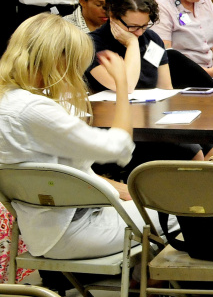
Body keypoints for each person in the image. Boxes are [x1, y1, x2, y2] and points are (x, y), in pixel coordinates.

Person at [0, 14, 175, 259]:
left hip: (39, 230)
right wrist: (122, 85)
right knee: (181, 210)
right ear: (60, 61)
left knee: (143, 199)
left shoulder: (8, 99)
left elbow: (64, 171)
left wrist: (122, 191)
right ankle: (150, 285)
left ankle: (139, 283)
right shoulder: (35, 111)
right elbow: (119, 148)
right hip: (75, 230)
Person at [87, 0, 213, 174]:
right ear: (112, 17)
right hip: (117, 125)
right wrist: (132, 44)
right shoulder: (92, 44)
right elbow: (126, 86)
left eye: (144, 25)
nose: (140, 32)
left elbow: (166, 88)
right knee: (192, 153)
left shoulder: (151, 39)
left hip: (153, 118)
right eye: (133, 27)